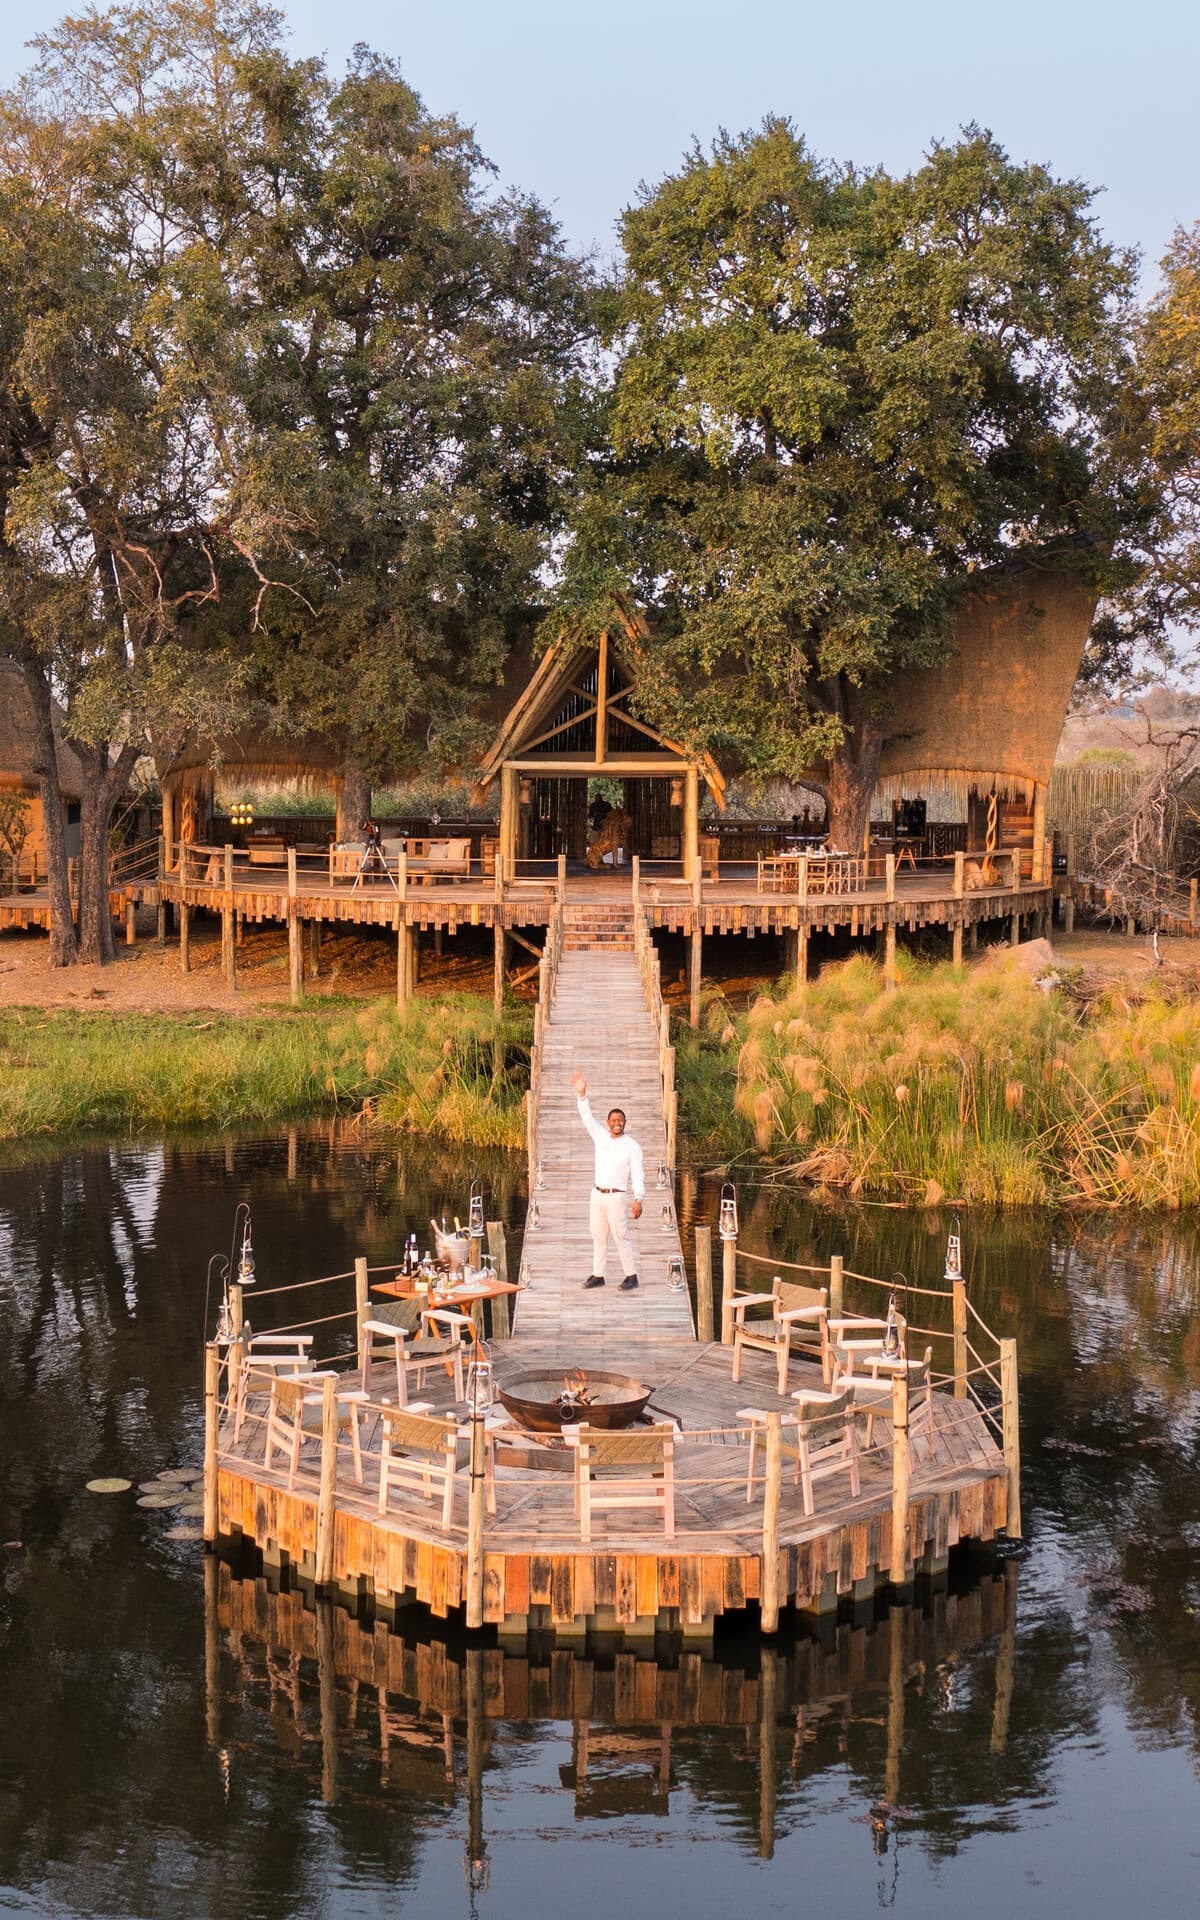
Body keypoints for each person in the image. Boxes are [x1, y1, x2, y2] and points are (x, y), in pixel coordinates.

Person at [571, 1071, 644, 1290]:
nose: (617, 1123)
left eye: (620, 1120)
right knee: (598, 1235)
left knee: (621, 1236)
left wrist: (638, 1198)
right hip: (597, 1195)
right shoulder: (600, 1136)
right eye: (613, 1120)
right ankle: (598, 1275)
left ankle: (631, 1275)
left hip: (616, 1196)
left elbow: (638, 1173)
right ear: (608, 1122)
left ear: (625, 1122)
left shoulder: (632, 1146)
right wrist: (582, 1094)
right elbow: (587, 1118)